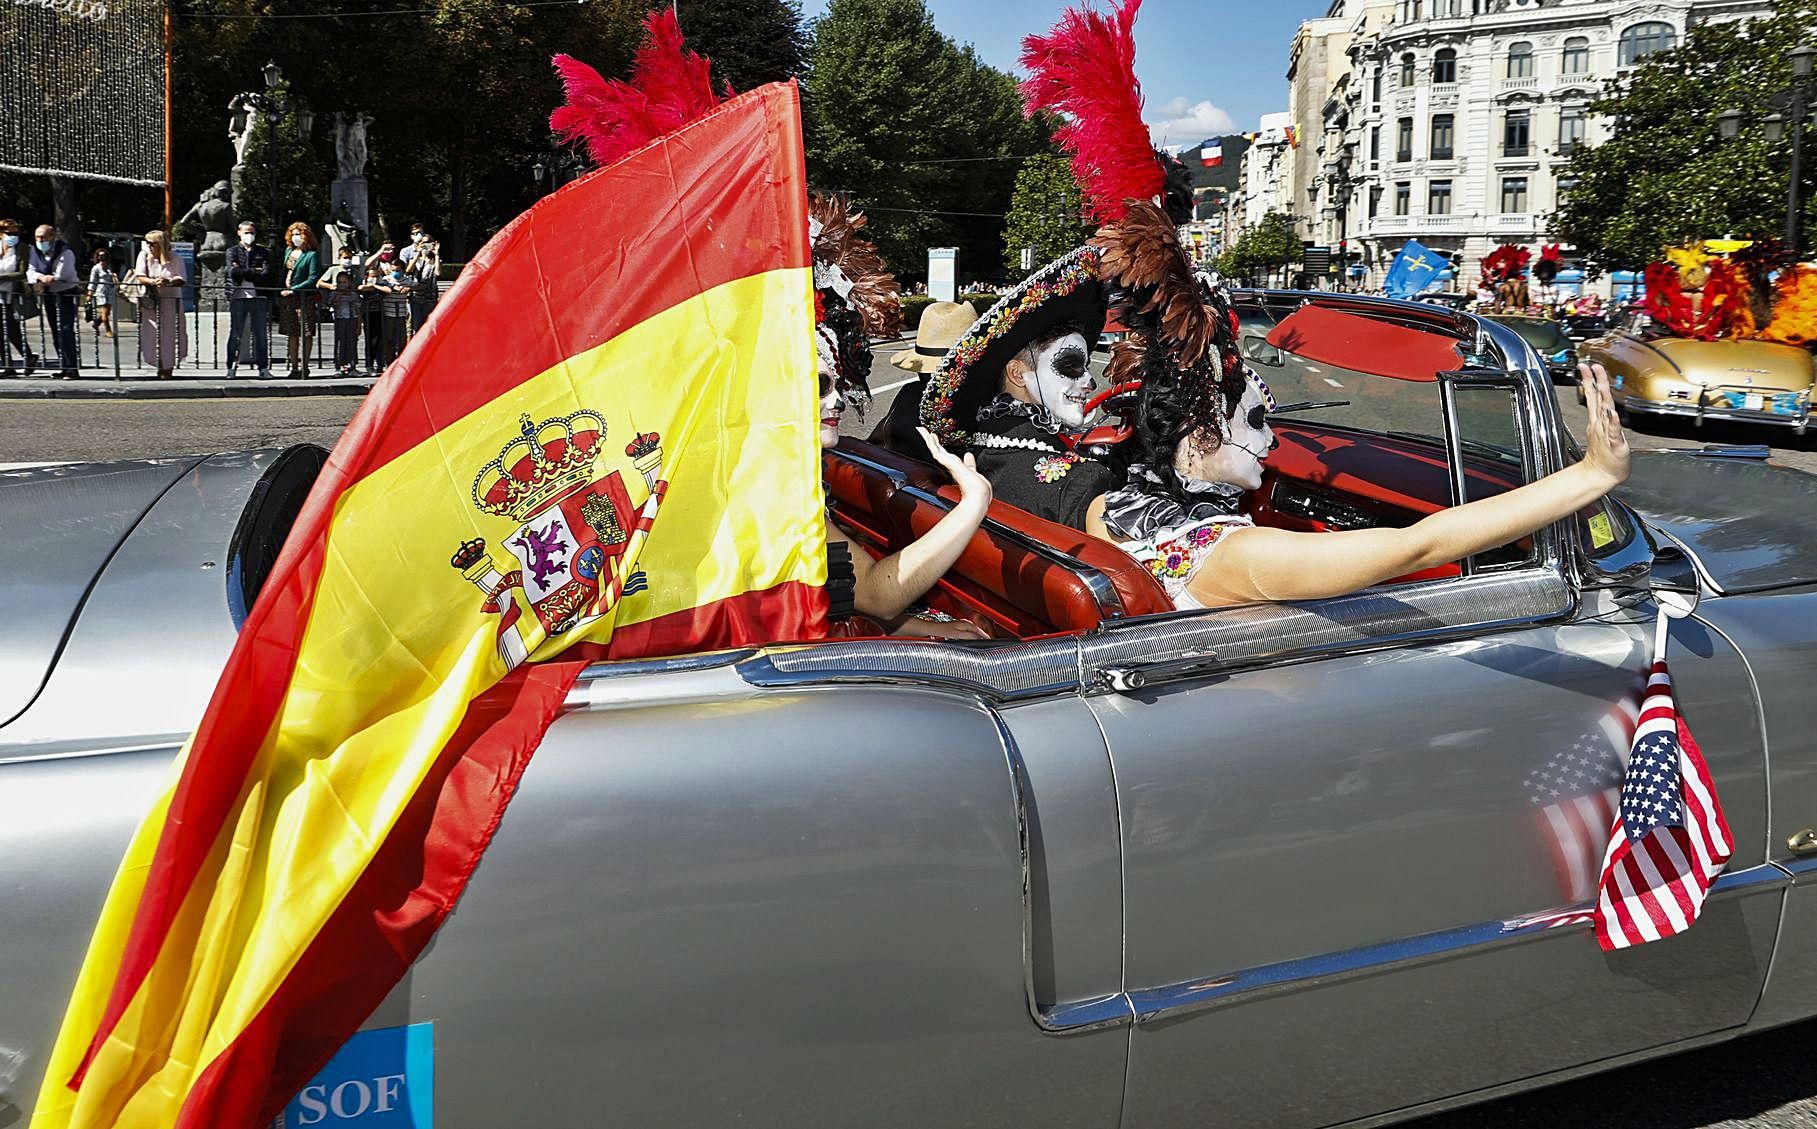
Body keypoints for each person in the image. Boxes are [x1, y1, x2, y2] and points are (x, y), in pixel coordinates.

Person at [1085, 359, 1630, 610]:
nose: (1272, 442)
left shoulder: (1111, 507)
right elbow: (1421, 545)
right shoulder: (1241, 556)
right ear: (1201, 439)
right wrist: (1592, 473)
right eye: (1254, 423)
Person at [807, 193, 989, 638]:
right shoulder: (765, 482)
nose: (839, 402)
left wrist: (918, 626)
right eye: (818, 387)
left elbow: (844, 594)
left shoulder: (788, 471)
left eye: (839, 381)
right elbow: (874, 593)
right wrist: (974, 503)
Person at [917, 252, 1119, 531]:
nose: (1090, 381)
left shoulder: (975, 455)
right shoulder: (1082, 484)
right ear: (1017, 374)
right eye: (1070, 365)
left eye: (1084, 366)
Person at [130, 230, 188, 378]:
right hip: (152, 301)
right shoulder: (143, 256)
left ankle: (167, 367)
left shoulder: (175, 257)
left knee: (171, 334)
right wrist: (153, 282)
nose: (149, 246)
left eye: (152, 244)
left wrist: (169, 281)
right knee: (152, 333)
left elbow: (182, 279)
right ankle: (157, 363)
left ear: (160, 244)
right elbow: (140, 275)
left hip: (171, 300)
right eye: (147, 243)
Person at [26, 224, 81, 379]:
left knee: (65, 329)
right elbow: (30, 271)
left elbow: (61, 274)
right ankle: (63, 365)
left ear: (52, 237)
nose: (40, 240)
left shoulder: (65, 251)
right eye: (37, 237)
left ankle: (71, 368)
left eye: (43, 237)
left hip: (66, 293)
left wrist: (42, 277)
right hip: (50, 294)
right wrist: (41, 277)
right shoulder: (35, 251)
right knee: (56, 331)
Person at [224, 220, 274, 379]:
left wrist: (243, 270)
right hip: (238, 297)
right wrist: (254, 271)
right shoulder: (232, 251)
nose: (249, 235)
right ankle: (231, 367)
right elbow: (233, 272)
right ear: (239, 232)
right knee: (235, 334)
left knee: (260, 334)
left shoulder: (262, 252)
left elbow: (266, 274)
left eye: (252, 232)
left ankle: (263, 368)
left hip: (259, 296)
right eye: (246, 232)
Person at [277, 221, 322, 377]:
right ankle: (294, 367)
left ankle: (305, 366)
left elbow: (313, 277)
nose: (296, 237)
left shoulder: (312, 255)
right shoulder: (289, 251)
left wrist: (294, 289)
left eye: (299, 234)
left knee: (306, 333)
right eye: (293, 234)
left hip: (303, 299)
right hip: (288, 299)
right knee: (292, 333)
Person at [316, 245, 364, 376]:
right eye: (345, 257)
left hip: (352, 313)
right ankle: (339, 365)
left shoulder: (354, 271)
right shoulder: (333, 269)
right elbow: (320, 282)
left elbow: (359, 286)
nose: (347, 260)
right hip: (339, 313)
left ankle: (352, 365)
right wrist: (333, 287)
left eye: (349, 258)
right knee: (340, 340)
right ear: (339, 257)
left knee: (352, 340)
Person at [0, 219, 35, 376]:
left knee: (10, 328)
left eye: (16, 233)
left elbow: (22, 272)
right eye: (9, 233)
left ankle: (26, 358)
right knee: (6, 329)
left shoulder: (22, 248)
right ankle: (10, 364)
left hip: (10, 294)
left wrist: (3, 278)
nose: (13, 236)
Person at [402, 228, 439, 334]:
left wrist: (436, 254)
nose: (425, 245)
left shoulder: (433, 261)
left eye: (428, 243)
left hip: (429, 298)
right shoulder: (416, 259)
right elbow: (408, 270)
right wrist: (418, 253)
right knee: (415, 328)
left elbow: (438, 273)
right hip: (415, 298)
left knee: (429, 328)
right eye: (423, 243)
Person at [377, 256, 413, 366]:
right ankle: (389, 362)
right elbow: (382, 286)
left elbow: (418, 286)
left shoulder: (407, 280)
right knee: (389, 339)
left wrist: (409, 288)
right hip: (389, 312)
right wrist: (395, 287)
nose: (395, 273)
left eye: (398, 270)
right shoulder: (386, 279)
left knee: (402, 339)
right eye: (393, 270)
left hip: (401, 313)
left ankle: (401, 362)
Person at [86, 249, 118, 340]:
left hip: (110, 291)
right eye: (100, 255)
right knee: (104, 313)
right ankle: (108, 331)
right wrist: (90, 293)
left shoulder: (109, 267)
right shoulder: (96, 268)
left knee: (107, 313)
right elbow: (93, 281)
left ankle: (96, 323)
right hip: (101, 291)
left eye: (104, 255)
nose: (102, 257)